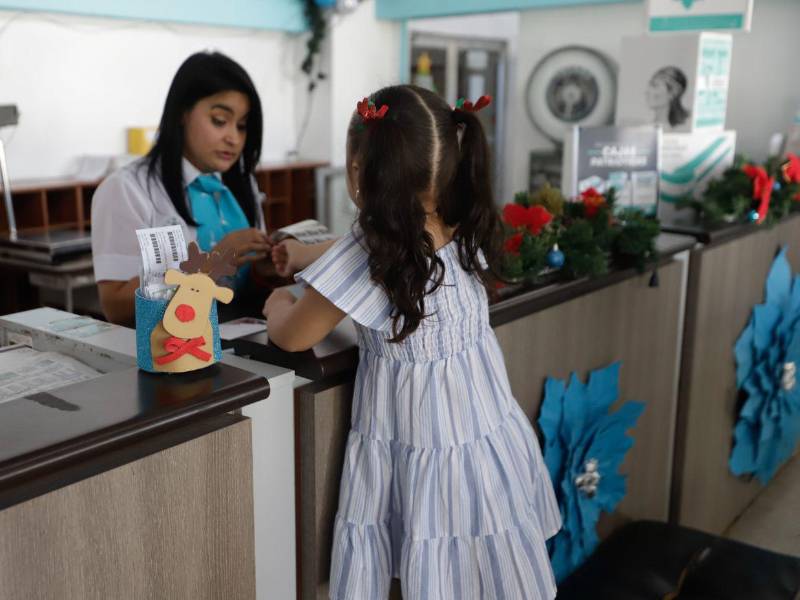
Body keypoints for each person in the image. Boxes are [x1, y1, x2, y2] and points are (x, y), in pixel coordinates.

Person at [263, 85, 561, 599]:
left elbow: (293, 336)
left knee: (435, 575)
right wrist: (310, 256)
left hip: (423, 445)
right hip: (482, 440)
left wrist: (277, 304)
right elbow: (380, 243)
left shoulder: (370, 249)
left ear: (359, 170)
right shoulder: (461, 219)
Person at [91, 51, 271, 325]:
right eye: (220, 121)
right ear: (182, 113)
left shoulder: (241, 183)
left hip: (241, 338)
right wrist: (211, 264)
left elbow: (245, 287)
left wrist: (270, 266)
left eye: (242, 126)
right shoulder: (126, 189)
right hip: (168, 349)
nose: (234, 138)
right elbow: (116, 306)